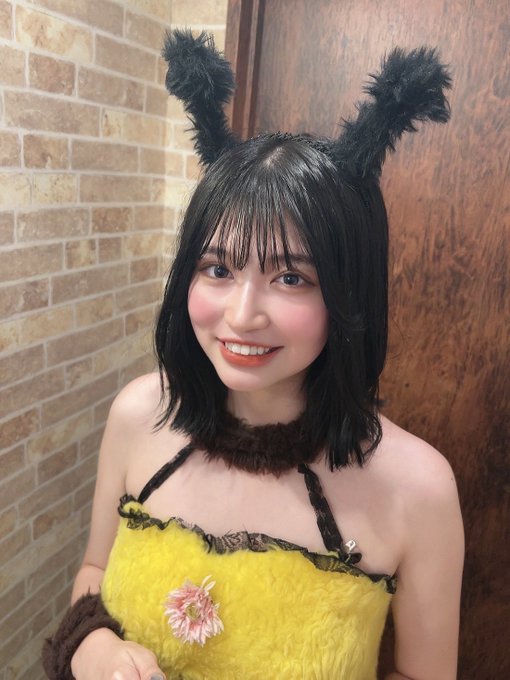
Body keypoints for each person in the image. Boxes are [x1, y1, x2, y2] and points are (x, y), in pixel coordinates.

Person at [42, 30, 464, 680]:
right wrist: (94, 647)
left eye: (290, 277)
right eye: (218, 269)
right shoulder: (138, 415)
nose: (242, 315)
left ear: (347, 293)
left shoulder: (418, 489)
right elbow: (94, 570)